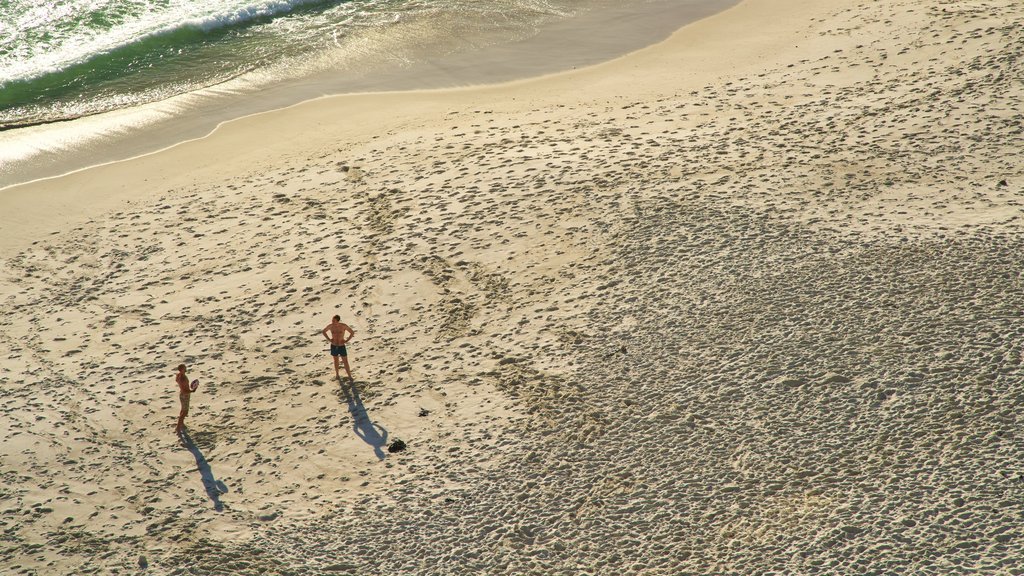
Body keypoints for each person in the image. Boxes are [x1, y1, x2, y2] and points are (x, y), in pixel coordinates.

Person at [322, 315, 355, 382]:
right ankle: (337, 374)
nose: (332, 322)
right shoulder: (331, 326)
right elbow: (324, 331)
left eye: (334, 321)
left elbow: (352, 332)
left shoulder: (343, 326)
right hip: (334, 345)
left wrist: (347, 340)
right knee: (336, 360)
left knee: (345, 361)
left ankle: (349, 376)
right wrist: (329, 339)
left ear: (338, 321)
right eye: (332, 320)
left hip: (341, 345)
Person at [175, 364, 199, 435]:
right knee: (184, 412)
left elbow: (177, 381)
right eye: (184, 368)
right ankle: (178, 427)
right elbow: (184, 390)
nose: (186, 368)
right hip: (185, 395)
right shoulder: (183, 378)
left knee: (183, 409)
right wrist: (192, 390)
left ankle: (181, 424)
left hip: (182, 394)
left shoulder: (178, 375)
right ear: (182, 369)